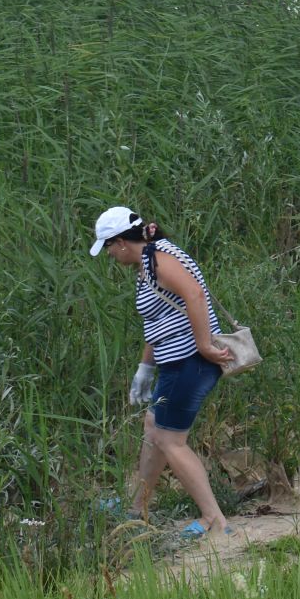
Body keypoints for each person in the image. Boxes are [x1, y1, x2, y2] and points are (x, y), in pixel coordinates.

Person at [90, 205, 237, 539]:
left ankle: (215, 519)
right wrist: (145, 366)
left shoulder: (159, 260)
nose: (111, 255)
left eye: (110, 247)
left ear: (121, 242)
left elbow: (194, 295)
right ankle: (136, 507)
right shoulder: (149, 262)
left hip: (190, 362)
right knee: (153, 425)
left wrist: (202, 345)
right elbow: (159, 321)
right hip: (175, 362)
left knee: (171, 440)